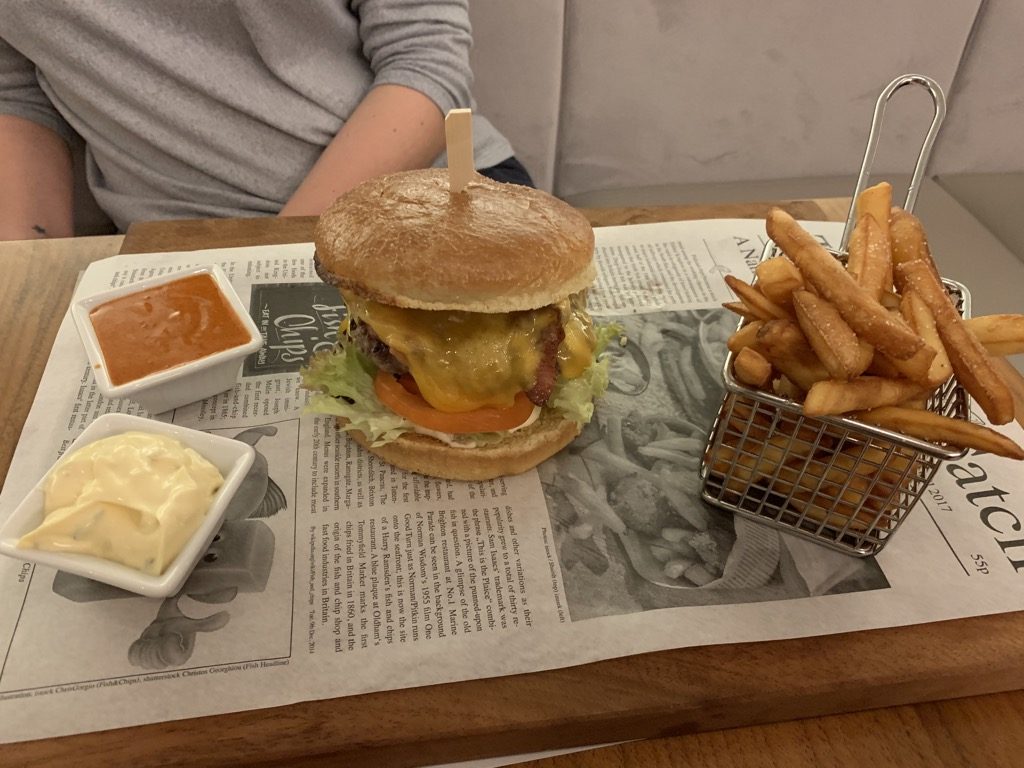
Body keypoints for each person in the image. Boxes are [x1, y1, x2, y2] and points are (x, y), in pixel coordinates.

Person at [0, 1, 532, 241]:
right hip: (168, 245)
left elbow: (427, 56)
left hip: (421, 191)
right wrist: (27, 279)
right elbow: (18, 94)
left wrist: (274, 251)